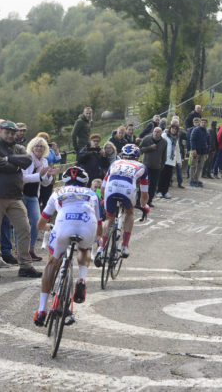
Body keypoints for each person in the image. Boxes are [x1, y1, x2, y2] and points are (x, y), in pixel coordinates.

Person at [33, 166, 103, 326]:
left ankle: (41, 310)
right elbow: (99, 226)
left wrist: (48, 227)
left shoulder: (57, 192)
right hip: (87, 225)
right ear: (85, 182)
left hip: (64, 225)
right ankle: (82, 280)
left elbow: (40, 223)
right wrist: (95, 238)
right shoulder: (92, 193)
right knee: (84, 248)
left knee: (53, 261)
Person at [0, 121, 42, 279]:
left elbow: (27, 160)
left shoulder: (19, 148)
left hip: (15, 196)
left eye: (12, 132)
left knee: (24, 228)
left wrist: (8, 158)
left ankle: (25, 265)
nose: (10, 135)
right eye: (7, 132)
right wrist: (14, 166)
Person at [95, 144, 150, 262]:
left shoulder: (114, 163)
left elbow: (103, 188)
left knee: (109, 218)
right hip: (128, 190)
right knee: (129, 213)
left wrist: (104, 199)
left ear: (122, 155)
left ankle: (101, 247)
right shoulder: (142, 166)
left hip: (110, 189)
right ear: (137, 157)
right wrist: (144, 205)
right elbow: (144, 193)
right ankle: (124, 246)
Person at [22, 137, 58, 262]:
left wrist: (48, 175)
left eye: (41, 146)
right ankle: (20, 250)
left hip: (33, 196)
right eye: (36, 145)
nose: (39, 148)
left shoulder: (44, 161)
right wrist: (40, 174)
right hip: (21, 194)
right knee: (22, 224)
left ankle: (31, 249)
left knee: (37, 223)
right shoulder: (27, 159)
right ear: (31, 147)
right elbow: (23, 178)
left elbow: (45, 184)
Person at [139, 127, 167, 207]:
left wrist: (162, 165)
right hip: (146, 166)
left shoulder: (164, 142)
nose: (156, 133)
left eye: (158, 132)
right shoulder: (147, 139)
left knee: (153, 185)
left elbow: (164, 155)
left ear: (161, 133)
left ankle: (149, 201)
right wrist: (150, 148)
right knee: (143, 184)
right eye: (155, 131)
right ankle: (139, 200)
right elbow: (140, 150)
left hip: (156, 166)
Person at [158, 121, 181, 199]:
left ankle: (165, 191)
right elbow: (159, 145)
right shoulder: (164, 135)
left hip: (171, 160)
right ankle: (159, 191)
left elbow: (177, 151)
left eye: (175, 129)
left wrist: (179, 161)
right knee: (162, 176)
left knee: (168, 177)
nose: (174, 130)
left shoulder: (176, 139)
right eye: (173, 128)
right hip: (164, 159)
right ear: (170, 128)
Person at [189, 118, 210, 187]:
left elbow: (208, 143)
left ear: (207, 124)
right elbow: (192, 139)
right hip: (196, 151)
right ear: (200, 123)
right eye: (202, 122)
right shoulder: (196, 130)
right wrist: (194, 149)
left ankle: (196, 179)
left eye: (205, 122)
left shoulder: (207, 132)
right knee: (193, 165)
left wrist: (207, 153)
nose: (203, 123)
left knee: (200, 166)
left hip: (203, 152)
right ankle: (192, 180)